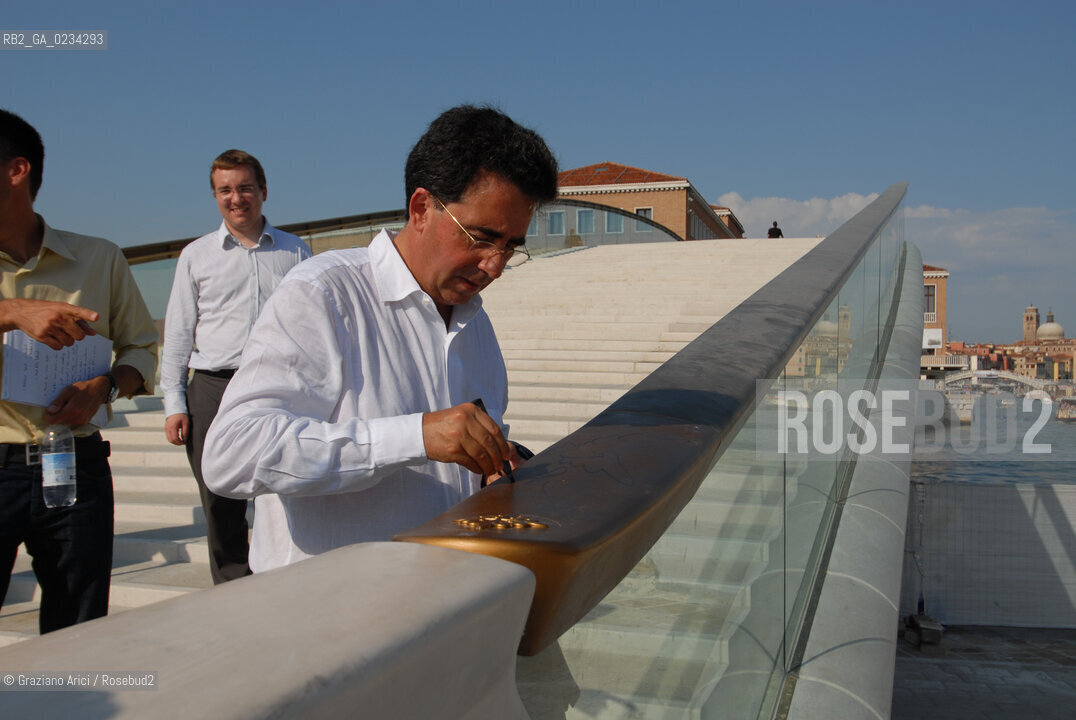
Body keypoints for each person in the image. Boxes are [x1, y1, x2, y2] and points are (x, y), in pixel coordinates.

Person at [204, 105, 558, 571]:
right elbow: (232, 453)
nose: (494, 265)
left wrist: (496, 464)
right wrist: (414, 436)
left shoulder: (477, 325)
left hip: (440, 602)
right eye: (481, 237)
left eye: (512, 247)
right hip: (323, 618)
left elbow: (466, 451)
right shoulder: (323, 295)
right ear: (421, 208)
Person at [0, 109, 158, 632]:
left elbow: (141, 348)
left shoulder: (100, 258)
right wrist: (12, 311)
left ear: (16, 170)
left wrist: (104, 386)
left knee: (81, 628)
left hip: (74, 463)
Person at [161, 150, 311, 584]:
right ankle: (232, 587)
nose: (236, 198)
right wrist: (174, 402)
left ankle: (281, 577)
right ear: (215, 197)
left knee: (283, 487)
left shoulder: (296, 251)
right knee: (218, 497)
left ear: (263, 192)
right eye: (225, 190)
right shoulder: (195, 256)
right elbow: (178, 335)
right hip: (211, 387)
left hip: (278, 384)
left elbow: (310, 324)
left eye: (245, 187)